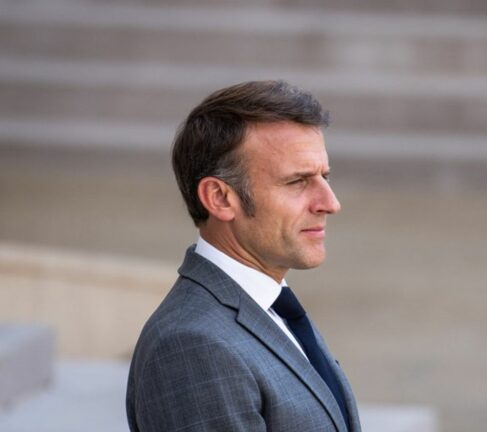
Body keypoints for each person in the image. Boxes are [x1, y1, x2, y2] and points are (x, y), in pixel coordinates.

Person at [126, 80, 360, 432]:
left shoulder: (270, 306)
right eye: (297, 181)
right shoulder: (193, 346)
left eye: (324, 176)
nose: (330, 203)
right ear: (220, 198)